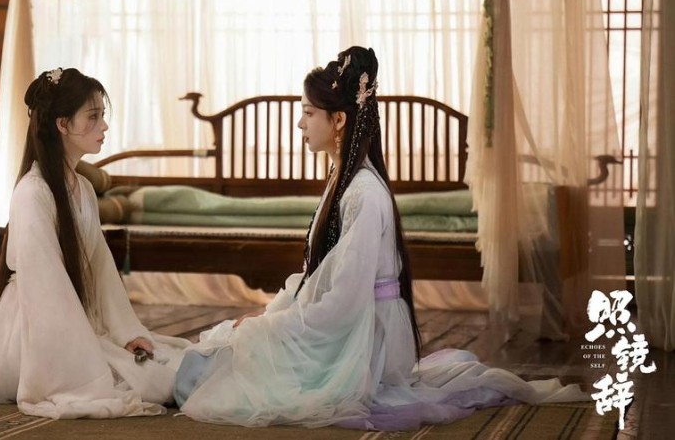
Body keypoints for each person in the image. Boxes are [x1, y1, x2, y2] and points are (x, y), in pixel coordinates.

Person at [173, 47, 587, 429]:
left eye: (308, 113)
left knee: (213, 375)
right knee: (213, 358)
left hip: (366, 339)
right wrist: (270, 316)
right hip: (345, 324)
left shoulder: (364, 193)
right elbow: (317, 279)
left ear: (339, 120)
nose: (300, 123)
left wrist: (273, 326)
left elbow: (345, 298)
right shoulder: (341, 181)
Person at [0, 67, 188, 419]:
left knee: (168, 365)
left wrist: (126, 333)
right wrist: (86, 352)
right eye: (93, 117)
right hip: (38, 328)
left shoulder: (84, 188)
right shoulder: (32, 192)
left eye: (102, 115)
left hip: (76, 318)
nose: (103, 126)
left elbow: (101, 270)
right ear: (62, 124)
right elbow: (46, 288)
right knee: (155, 383)